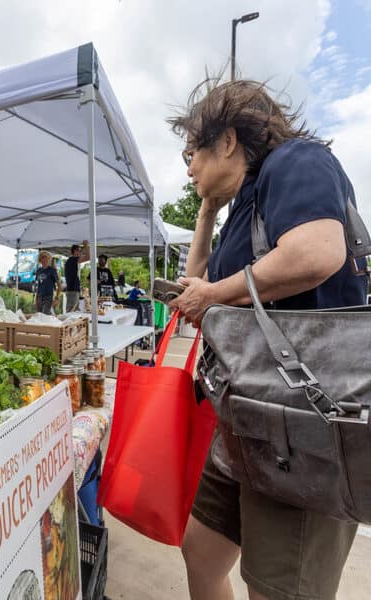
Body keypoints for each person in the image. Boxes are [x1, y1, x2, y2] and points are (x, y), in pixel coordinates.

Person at [168, 78, 368, 600]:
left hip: (302, 423)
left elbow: (317, 251)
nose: (187, 167)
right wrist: (207, 212)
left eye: (192, 152)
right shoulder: (241, 208)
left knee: (278, 588)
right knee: (201, 548)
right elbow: (200, 284)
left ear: (228, 140)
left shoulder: (297, 161)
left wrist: (212, 292)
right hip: (248, 416)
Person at [64, 241, 90, 311]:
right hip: (73, 290)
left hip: (72, 289)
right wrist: (86, 245)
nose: (81, 252)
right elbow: (88, 257)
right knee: (73, 311)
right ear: (75, 251)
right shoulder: (73, 259)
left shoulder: (70, 260)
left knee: (73, 310)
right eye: (79, 251)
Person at [34, 250, 61, 314]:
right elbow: (38, 286)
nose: (46, 259)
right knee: (39, 316)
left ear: (49, 259)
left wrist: (57, 298)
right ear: (40, 259)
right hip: (39, 297)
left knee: (45, 315)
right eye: (43, 257)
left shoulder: (52, 270)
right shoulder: (38, 271)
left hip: (48, 297)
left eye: (47, 258)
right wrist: (36, 299)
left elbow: (59, 286)